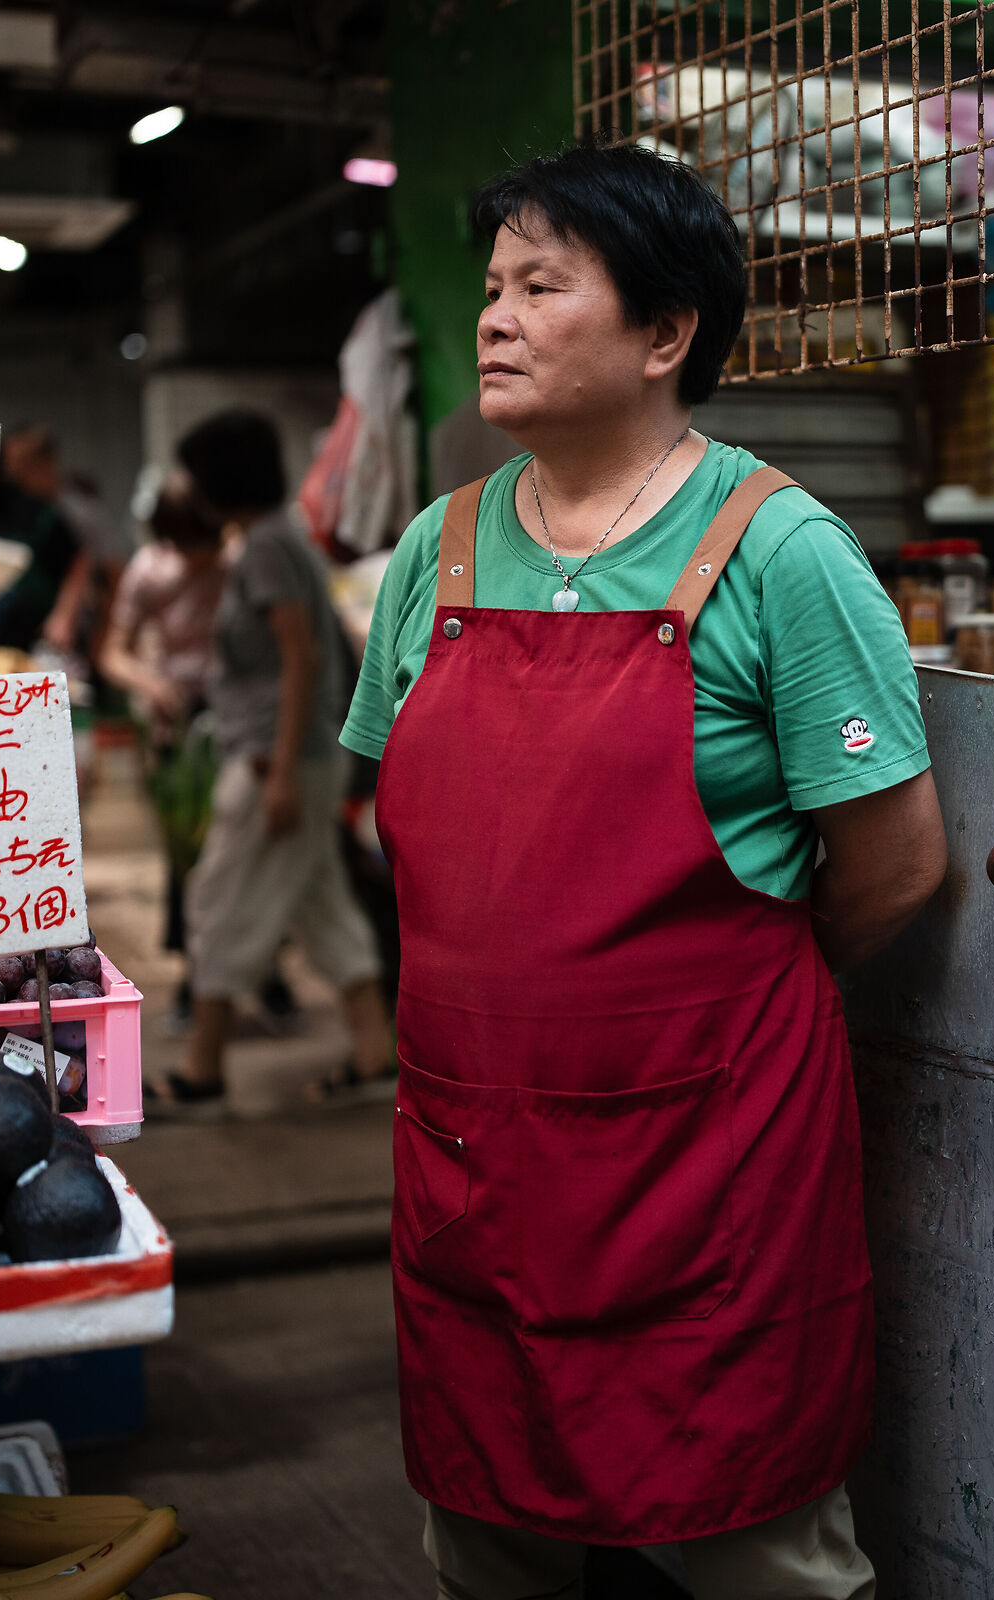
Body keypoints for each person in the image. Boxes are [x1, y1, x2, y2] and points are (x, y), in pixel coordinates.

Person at [342, 145, 944, 1597]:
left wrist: (698, 997)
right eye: (495, 286)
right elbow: (385, 814)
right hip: (477, 1157)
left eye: (542, 287)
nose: (495, 318)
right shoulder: (438, 549)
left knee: (757, 1549)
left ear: (667, 332)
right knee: (487, 1534)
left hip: (705, 1166)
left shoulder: (782, 552)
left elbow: (895, 863)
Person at [171, 410, 390, 1106]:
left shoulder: (266, 546)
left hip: (276, 760)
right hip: (295, 757)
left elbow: (301, 657)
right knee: (323, 903)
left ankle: (203, 1068)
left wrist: (284, 772)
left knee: (222, 902)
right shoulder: (278, 538)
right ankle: (375, 1052)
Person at [96, 474, 226, 987]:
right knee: (186, 851)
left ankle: (260, 973)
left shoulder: (236, 558)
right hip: (179, 726)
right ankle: (198, 973)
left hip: (236, 721)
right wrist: (153, 686)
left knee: (239, 849)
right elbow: (112, 653)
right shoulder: (150, 570)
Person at [0, 426, 88, 653]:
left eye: (23, 464)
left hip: (36, 632)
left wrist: (63, 616)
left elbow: (79, 559)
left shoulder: (49, 512)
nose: (14, 471)